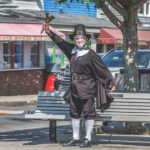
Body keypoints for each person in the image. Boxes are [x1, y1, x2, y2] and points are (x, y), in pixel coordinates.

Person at [42, 23, 116, 147]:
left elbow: (102, 69)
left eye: (81, 38)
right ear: (74, 40)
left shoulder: (91, 54)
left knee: (88, 112)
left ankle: (87, 139)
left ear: (86, 40)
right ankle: (75, 138)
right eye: (77, 38)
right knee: (74, 112)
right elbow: (60, 42)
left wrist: (111, 81)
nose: (79, 40)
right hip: (74, 87)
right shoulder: (72, 51)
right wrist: (49, 31)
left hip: (87, 87)